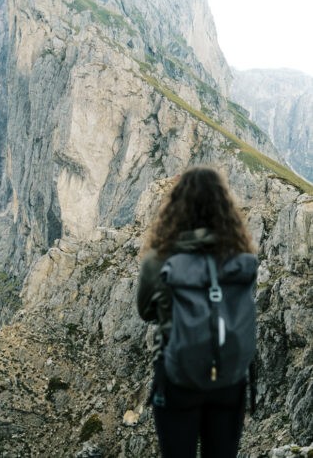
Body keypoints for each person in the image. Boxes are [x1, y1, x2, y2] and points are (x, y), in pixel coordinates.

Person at [137, 165, 256, 458]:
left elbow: (145, 311)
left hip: (178, 376)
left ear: (177, 206)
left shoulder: (159, 259)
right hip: (230, 378)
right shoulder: (242, 259)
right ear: (224, 207)